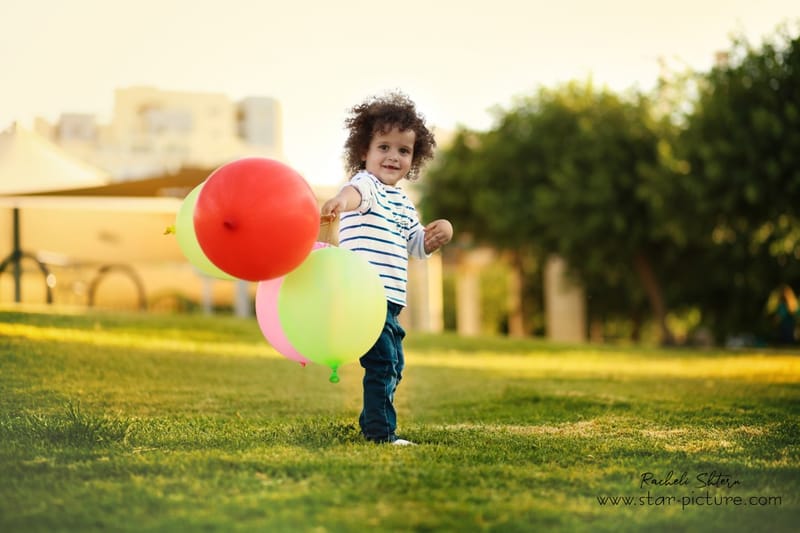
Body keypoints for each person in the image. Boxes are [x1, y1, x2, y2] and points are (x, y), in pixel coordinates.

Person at [320, 92, 453, 446]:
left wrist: (437, 234)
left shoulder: (404, 204)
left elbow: (416, 244)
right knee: (383, 364)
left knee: (392, 364)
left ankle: (372, 423)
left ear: (414, 157)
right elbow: (354, 195)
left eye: (403, 150)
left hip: (390, 301)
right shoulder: (367, 185)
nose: (393, 156)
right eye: (384, 147)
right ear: (364, 151)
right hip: (363, 296)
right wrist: (338, 202)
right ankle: (381, 434)